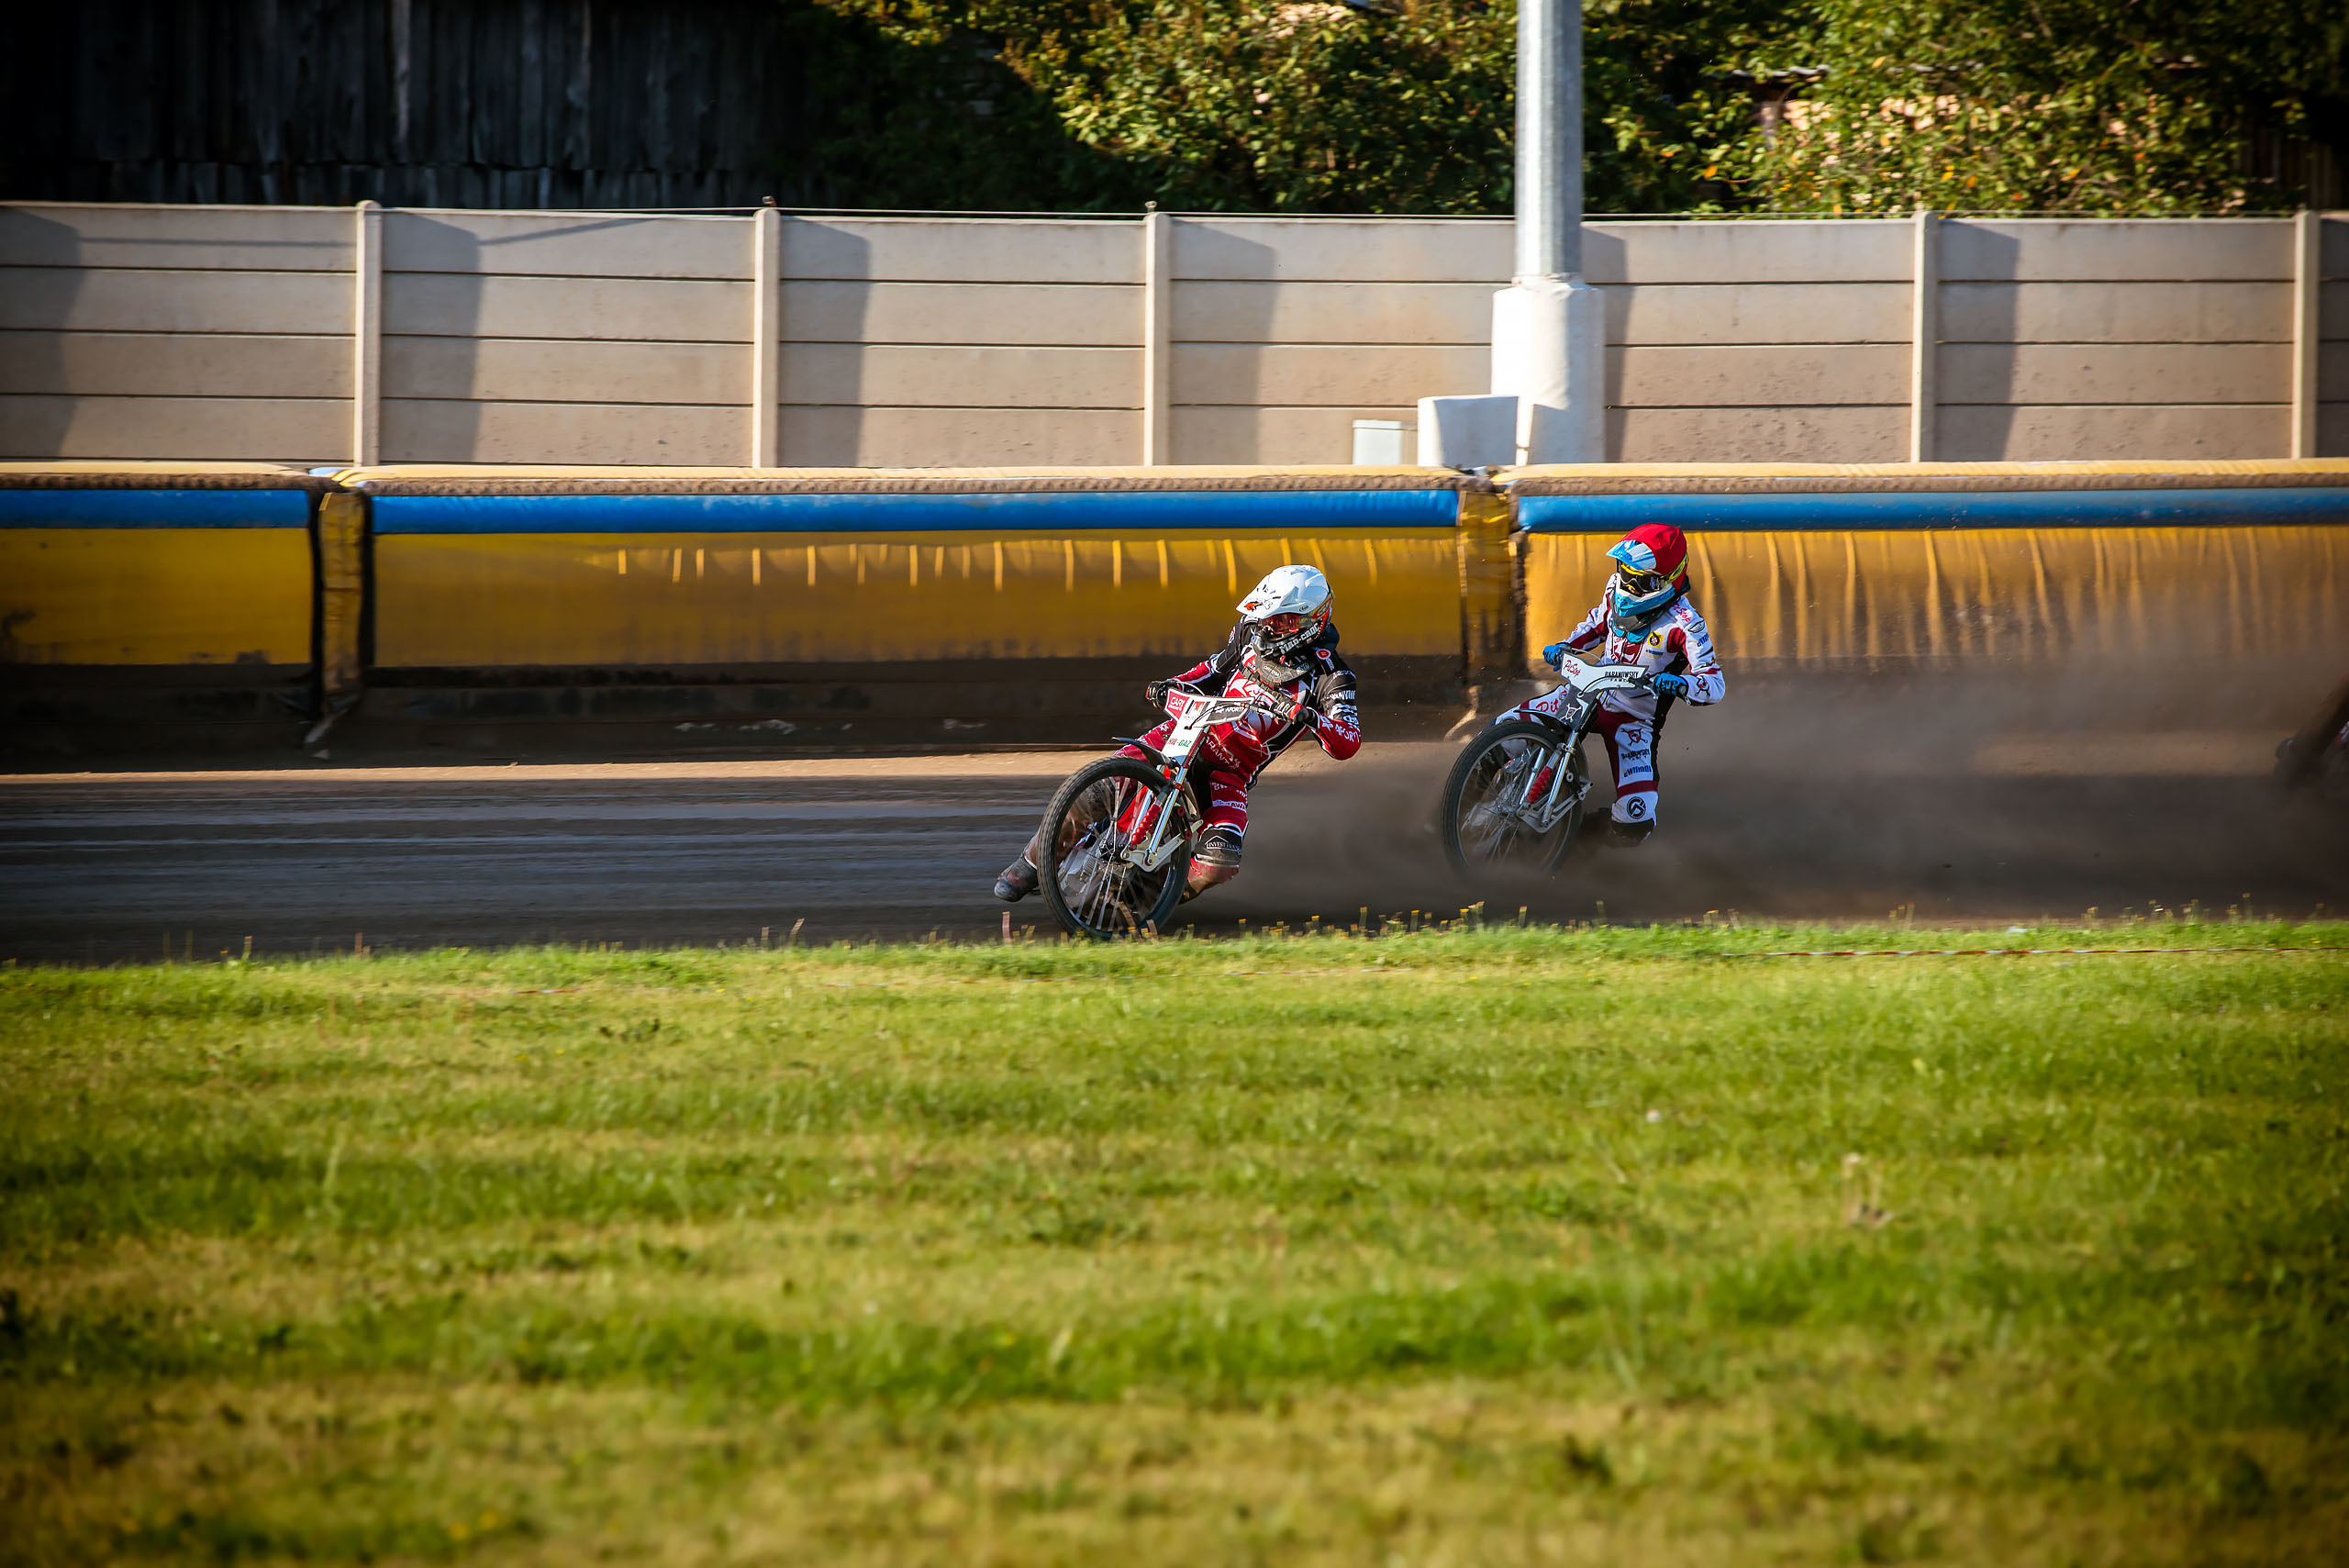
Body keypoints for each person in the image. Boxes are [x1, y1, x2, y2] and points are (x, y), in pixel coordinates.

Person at [994, 563, 1362, 902]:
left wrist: (1309, 717)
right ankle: (1031, 863)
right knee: (1094, 791)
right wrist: (1172, 684)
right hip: (1182, 734)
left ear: (1311, 621)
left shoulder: (1334, 678)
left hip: (1229, 775)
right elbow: (1213, 670)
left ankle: (1144, 902)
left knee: (1219, 862)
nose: (1268, 628)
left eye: (1280, 621)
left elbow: (1348, 741)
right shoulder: (1248, 633)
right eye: (1266, 618)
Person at [1536, 522, 1724, 846]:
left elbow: (1714, 683)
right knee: (1507, 727)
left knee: (1635, 821)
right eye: (1624, 570)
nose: (1628, 583)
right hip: (1587, 690)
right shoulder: (1615, 586)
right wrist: (1565, 644)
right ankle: (1465, 806)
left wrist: (1680, 684)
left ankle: (1576, 846)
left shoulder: (1687, 624)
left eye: (1642, 580)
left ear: (1668, 579)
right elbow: (1598, 622)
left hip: (1634, 720)